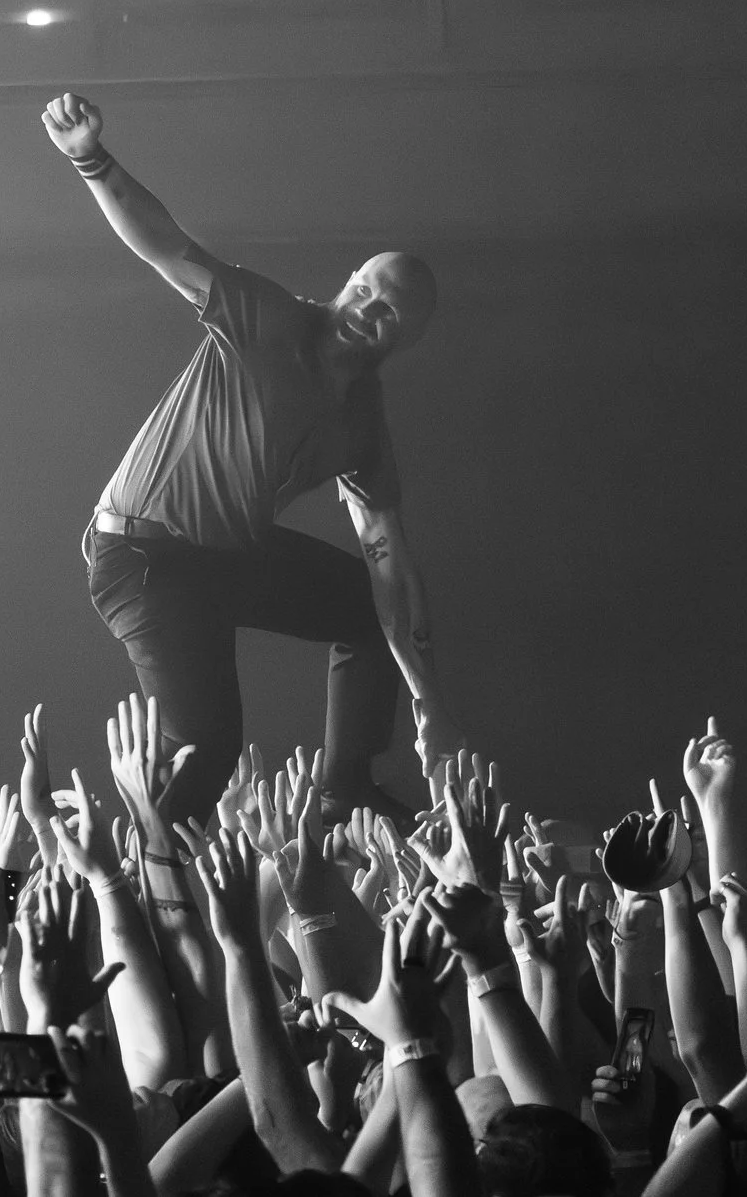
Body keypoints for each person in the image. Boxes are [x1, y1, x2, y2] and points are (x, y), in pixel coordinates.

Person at [40, 90, 453, 822]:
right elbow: (167, 248)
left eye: (386, 313)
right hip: (144, 557)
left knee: (360, 608)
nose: (364, 313)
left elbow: (391, 565)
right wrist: (90, 160)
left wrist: (425, 702)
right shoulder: (271, 320)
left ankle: (344, 783)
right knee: (208, 748)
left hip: (229, 557)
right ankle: (127, 885)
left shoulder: (362, 421)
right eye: (362, 291)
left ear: (405, 338)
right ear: (347, 285)